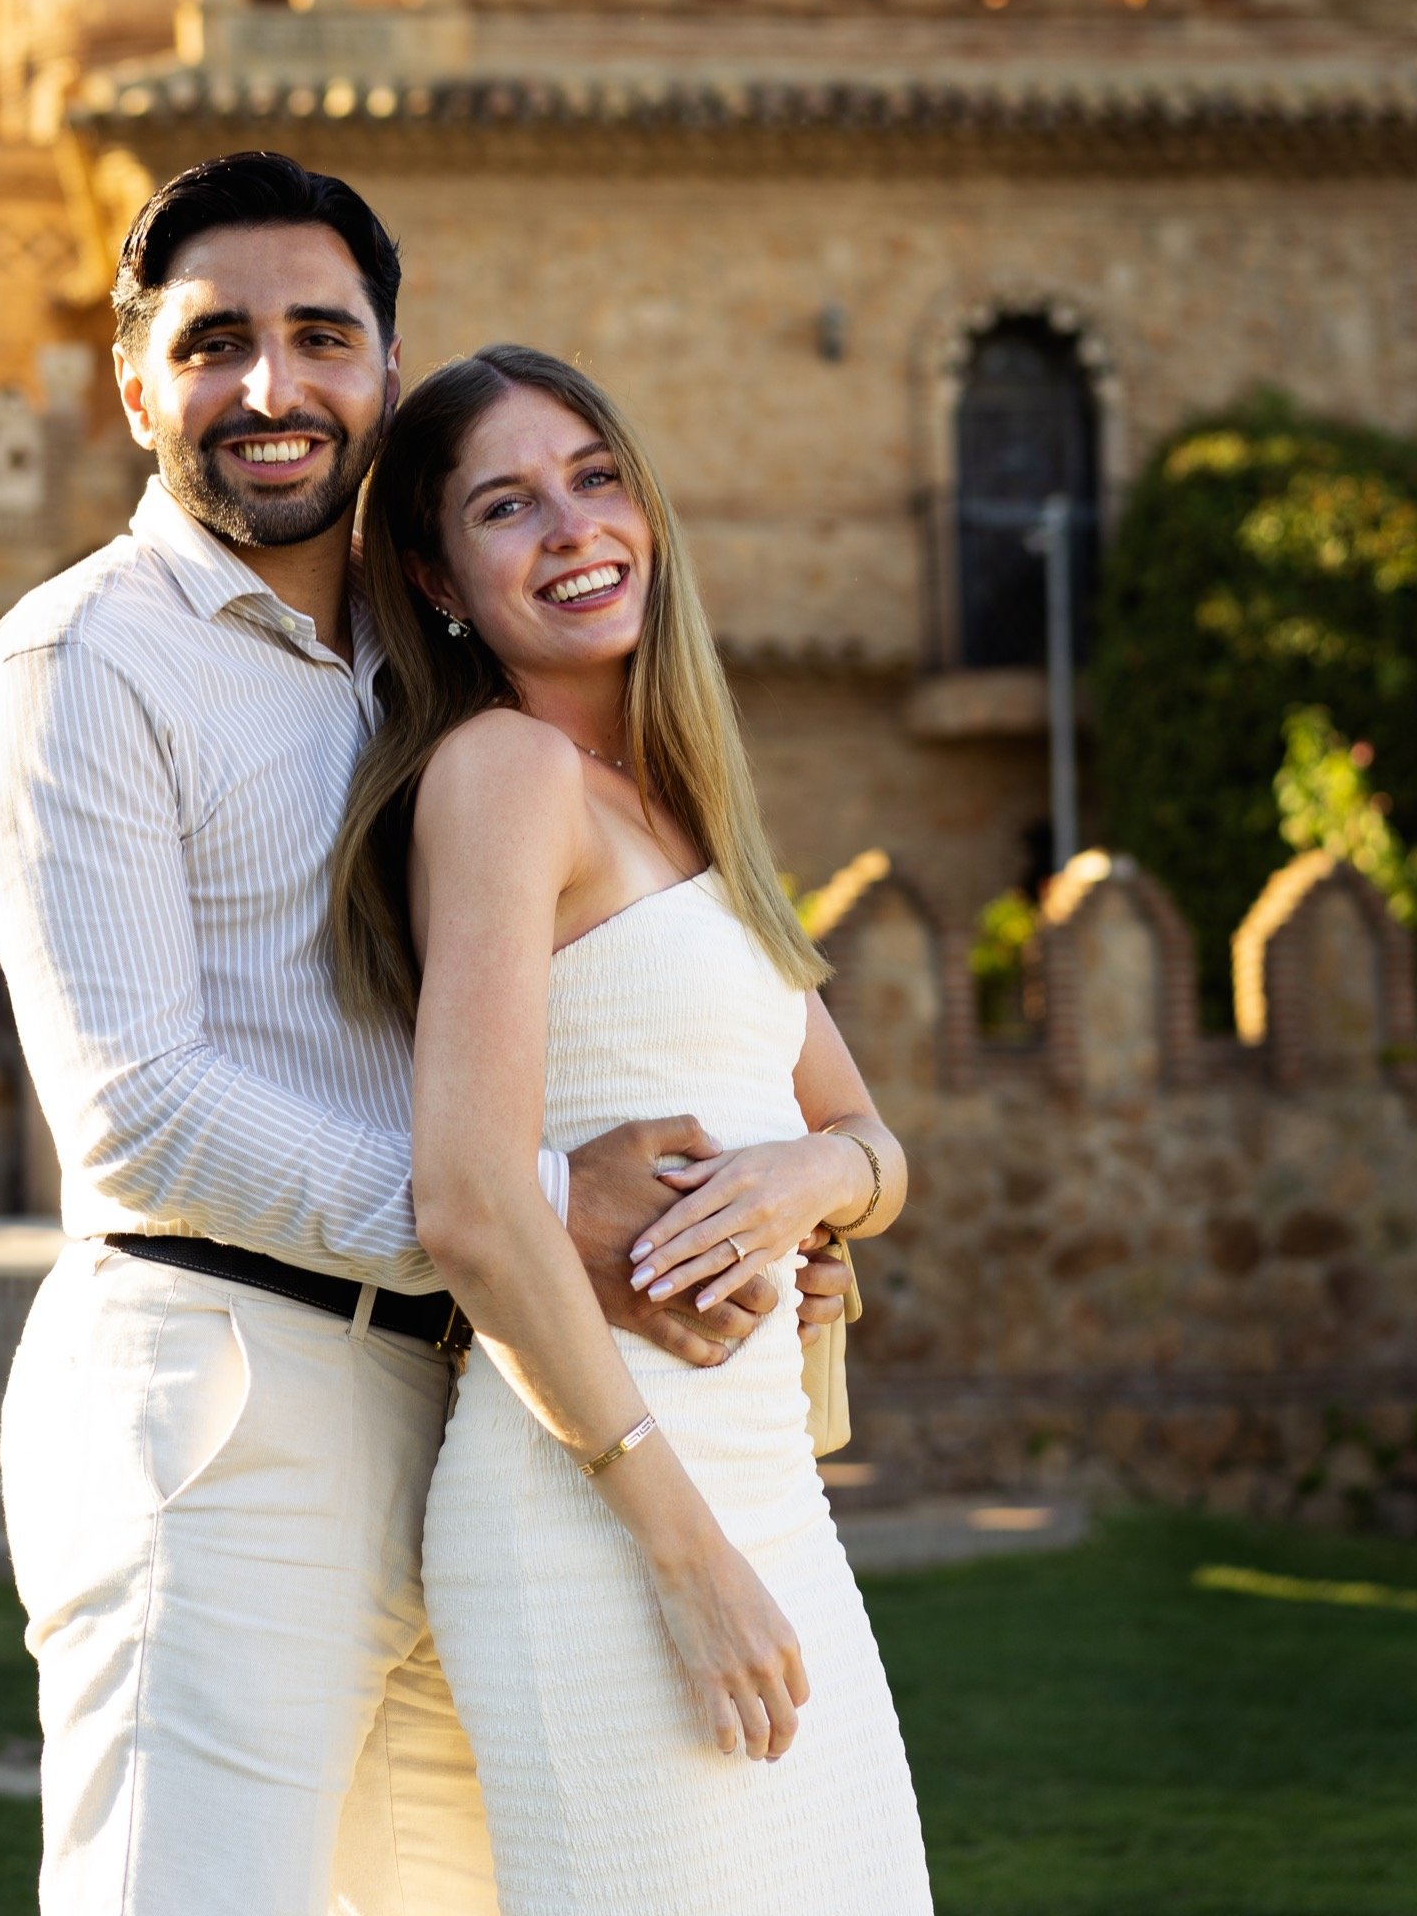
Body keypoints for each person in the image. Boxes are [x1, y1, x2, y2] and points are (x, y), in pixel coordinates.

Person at [0, 153, 847, 1916]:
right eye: (215, 345)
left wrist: (770, 1196)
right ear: (133, 380)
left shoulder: (418, 669)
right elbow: (137, 1110)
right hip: (223, 1411)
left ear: (382, 363)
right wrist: (536, 1206)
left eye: (319, 338)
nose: (272, 391)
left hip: (471, 1423)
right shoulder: (80, 664)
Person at [332, 342, 933, 1916]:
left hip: (768, 1504)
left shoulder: (685, 802)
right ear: (440, 579)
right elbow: (469, 1201)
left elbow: (870, 1136)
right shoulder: (504, 774)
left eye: (598, 480)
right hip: (604, 1527)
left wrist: (808, 1181)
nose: (575, 528)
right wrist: (686, 1559)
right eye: (509, 507)